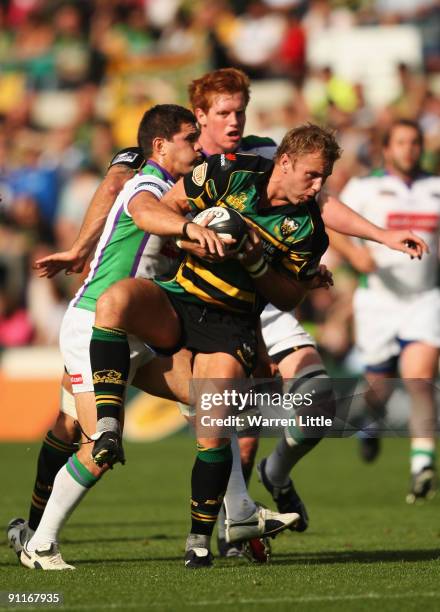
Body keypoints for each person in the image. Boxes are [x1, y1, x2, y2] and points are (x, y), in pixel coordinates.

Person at [87, 122, 426, 568]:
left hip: (233, 324)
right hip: (182, 296)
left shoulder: (308, 230)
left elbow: (287, 297)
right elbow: (158, 208)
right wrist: (189, 232)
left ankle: (200, 540)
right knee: (116, 300)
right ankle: (109, 428)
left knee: (216, 430)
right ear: (284, 162)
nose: (318, 187)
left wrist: (252, 256)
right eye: (312, 175)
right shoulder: (227, 173)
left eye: (324, 177)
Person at [186, 67, 429, 554]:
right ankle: (233, 528)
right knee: (235, 423)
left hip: (265, 293)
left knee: (317, 398)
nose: (236, 121)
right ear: (200, 116)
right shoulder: (185, 162)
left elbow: (321, 204)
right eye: (225, 112)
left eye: (241, 110)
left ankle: (276, 476)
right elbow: (159, 215)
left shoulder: (262, 153)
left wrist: (379, 237)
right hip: (211, 299)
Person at [7, 104, 203, 569]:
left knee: (209, 399)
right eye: (189, 139)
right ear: (160, 145)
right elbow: (137, 204)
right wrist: (190, 230)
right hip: (94, 326)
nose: (197, 147)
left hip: (135, 332)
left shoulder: (177, 186)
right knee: (101, 445)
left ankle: (237, 514)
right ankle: (41, 542)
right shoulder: (147, 184)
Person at [333, 118, 440, 503]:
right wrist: (354, 255)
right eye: (401, 142)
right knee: (377, 388)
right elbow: (330, 226)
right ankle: (367, 424)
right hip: (377, 299)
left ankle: (421, 464)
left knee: (419, 377)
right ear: (387, 148)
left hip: (424, 298)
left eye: (415, 142)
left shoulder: (435, 187)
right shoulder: (364, 187)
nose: (410, 149)